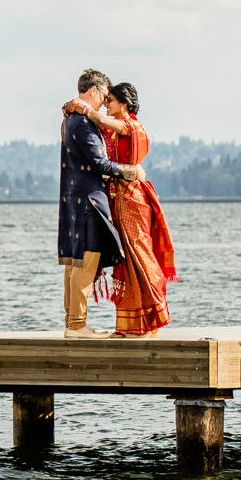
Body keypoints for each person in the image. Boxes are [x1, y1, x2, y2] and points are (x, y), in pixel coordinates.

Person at [63, 80, 177, 335]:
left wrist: (82, 108)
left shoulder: (129, 125)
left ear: (123, 104)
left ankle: (152, 316)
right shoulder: (117, 129)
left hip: (131, 197)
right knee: (126, 262)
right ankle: (132, 325)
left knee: (139, 256)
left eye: (110, 101)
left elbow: (101, 122)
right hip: (120, 196)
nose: (105, 104)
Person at [58, 68, 143, 336]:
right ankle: (77, 325)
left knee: (75, 264)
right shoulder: (83, 122)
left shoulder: (69, 118)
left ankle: (72, 322)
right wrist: (132, 172)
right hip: (90, 204)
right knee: (85, 263)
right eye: (105, 95)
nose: (105, 102)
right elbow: (98, 163)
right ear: (93, 91)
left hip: (74, 201)